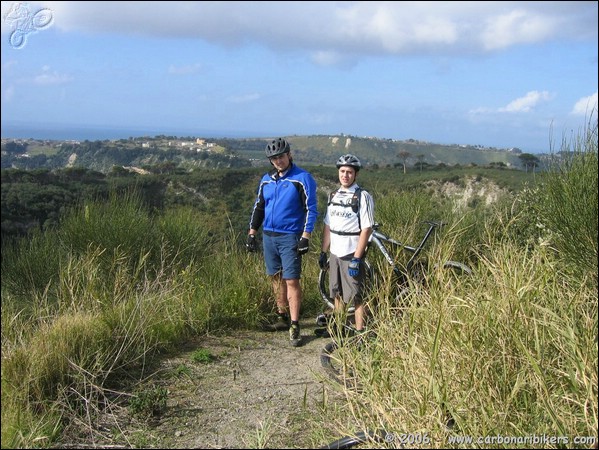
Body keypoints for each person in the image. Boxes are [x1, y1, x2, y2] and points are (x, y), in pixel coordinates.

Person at [246, 138, 318, 347]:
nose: (278, 160)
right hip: (269, 235)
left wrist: (306, 236)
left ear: (289, 155)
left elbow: (311, 209)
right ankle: (281, 317)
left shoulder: (302, 178)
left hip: (290, 236)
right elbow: (258, 207)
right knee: (275, 278)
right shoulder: (266, 180)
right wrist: (252, 233)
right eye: (274, 158)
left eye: (281, 156)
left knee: (291, 280)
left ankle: (295, 324)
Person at [319, 154, 374, 334]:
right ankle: (340, 328)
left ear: (355, 175)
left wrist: (357, 258)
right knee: (336, 294)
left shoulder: (363, 196)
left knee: (357, 296)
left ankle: (360, 332)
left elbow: (367, 229)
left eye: (349, 172)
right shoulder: (333, 195)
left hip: (351, 253)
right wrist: (323, 251)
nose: (345, 175)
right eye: (342, 171)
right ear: (338, 173)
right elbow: (328, 226)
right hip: (335, 252)